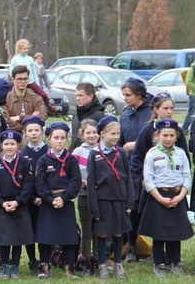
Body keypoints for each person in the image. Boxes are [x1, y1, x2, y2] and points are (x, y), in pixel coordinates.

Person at [130, 93, 191, 265]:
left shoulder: (177, 132)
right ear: (155, 110)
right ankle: (154, 258)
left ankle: (174, 259)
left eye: (172, 108)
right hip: (154, 188)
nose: (169, 111)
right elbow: (137, 159)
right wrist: (142, 180)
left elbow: (185, 161)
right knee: (157, 227)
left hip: (175, 188)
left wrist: (181, 192)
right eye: (165, 108)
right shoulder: (147, 132)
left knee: (174, 228)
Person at [138, 119, 194, 277]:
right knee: (159, 233)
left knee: (176, 233)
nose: (168, 139)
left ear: (176, 136)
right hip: (158, 197)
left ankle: (176, 263)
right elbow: (148, 180)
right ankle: (159, 263)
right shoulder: (152, 154)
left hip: (177, 196)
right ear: (157, 135)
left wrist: (181, 196)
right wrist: (161, 198)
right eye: (165, 135)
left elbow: (186, 177)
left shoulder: (181, 153)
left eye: (172, 135)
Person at [87, 116, 133, 280]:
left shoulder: (121, 153)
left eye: (117, 134)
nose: (115, 137)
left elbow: (128, 178)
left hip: (120, 200)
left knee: (118, 233)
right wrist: (94, 208)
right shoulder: (94, 155)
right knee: (102, 233)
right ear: (102, 134)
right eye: (112, 134)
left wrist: (129, 201)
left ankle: (118, 264)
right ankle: (102, 265)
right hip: (102, 201)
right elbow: (91, 183)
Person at [35, 122, 81, 279]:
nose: (60, 141)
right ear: (49, 139)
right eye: (56, 138)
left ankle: (70, 268)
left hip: (66, 202)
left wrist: (64, 197)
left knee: (68, 236)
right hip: (48, 203)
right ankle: (44, 267)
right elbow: (39, 183)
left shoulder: (71, 160)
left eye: (63, 138)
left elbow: (75, 181)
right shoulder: (43, 160)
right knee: (45, 236)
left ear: (67, 140)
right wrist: (49, 198)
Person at [0, 130, 34, 279]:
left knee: (17, 238)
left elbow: (28, 186)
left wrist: (17, 202)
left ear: (18, 145)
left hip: (19, 206)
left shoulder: (24, 162)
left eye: (12, 144)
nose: (9, 147)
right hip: (3, 206)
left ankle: (14, 266)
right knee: (4, 239)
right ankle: (4, 266)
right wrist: (2, 203)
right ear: (1, 145)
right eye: (6, 144)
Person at [118, 77, 153, 263]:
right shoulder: (125, 114)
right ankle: (131, 246)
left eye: (128, 95)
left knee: (149, 208)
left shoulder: (150, 113)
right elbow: (120, 139)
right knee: (132, 209)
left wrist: (137, 143)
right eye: (123, 94)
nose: (124, 98)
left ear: (139, 95)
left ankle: (157, 249)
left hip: (149, 167)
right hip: (130, 168)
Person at [19, 116, 47, 276]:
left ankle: (45, 261)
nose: (34, 133)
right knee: (29, 230)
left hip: (46, 199)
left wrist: (45, 197)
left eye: (37, 130)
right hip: (28, 200)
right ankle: (32, 260)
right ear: (25, 133)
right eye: (30, 130)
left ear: (42, 132)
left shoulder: (48, 151)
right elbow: (21, 180)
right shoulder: (23, 153)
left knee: (44, 230)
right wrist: (32, 198)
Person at [71, 119, 99, 276]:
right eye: (88, 132)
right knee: (87, 230)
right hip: (84, 195)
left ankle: (98, 260)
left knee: (99, 230)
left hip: (100, 196)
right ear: (82, 134)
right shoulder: (77, 152)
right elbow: (73, 174)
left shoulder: (103, 150)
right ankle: (87, 261)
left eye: (94, 132)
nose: (92, 135)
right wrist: (83, 182)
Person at [8, 39, 57, 113]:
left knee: (43, 94)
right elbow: (11, 72)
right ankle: (9, 110)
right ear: (19, 49)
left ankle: (48, 105)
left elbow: (34, 72)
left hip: (30, 82)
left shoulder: (30, 59)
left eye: (27, 48)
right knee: (11, 96)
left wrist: (37, 83)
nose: (26, 50)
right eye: (24, 48)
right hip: (19, 83)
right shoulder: (15, 60)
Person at [4, 65, 47, 133]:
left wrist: (19, 118)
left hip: (32, 139)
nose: (23, 82)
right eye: (20, 79)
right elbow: (6, 120)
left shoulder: (37, 99)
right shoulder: (6, 100)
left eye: (25, 79)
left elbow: (42, 117)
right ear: (13, 80)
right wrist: (30, 120)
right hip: (13, 138)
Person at [70, 82, 106, 151]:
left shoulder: (99, 116)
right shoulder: (76, 114)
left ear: (90, 97)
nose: (77, 98)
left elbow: (103, 141)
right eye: (76, 95)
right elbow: (74, 139)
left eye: (81, 95)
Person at [182, 61, 195, 132]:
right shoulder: (192, 68)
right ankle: (184, 128)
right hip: (193, 95)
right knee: (191, 113)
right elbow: (188, 82)